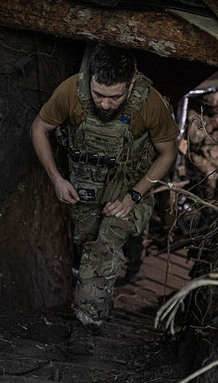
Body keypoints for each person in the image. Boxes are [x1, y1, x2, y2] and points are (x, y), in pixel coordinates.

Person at [30, 44, 178, 355]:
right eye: (99, 94)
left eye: (115, 97)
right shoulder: (71, 91)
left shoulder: (150, 103)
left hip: (128, 190)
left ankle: (85, 324)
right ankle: (96, 300)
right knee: (87, 245)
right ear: (91, 78)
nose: (106, 104)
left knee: (102, 250)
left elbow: (167, 153)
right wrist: (57, 179)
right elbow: (39, 128)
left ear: (131, 84)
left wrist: (134, 195)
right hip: (85, 188)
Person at [184, 91, 218, 196]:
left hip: (217, 154)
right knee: (211, 176)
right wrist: (211, 126)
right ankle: (208, 203)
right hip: (200, 155)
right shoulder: (194, 115)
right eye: (215, 107)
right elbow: (193, 138)